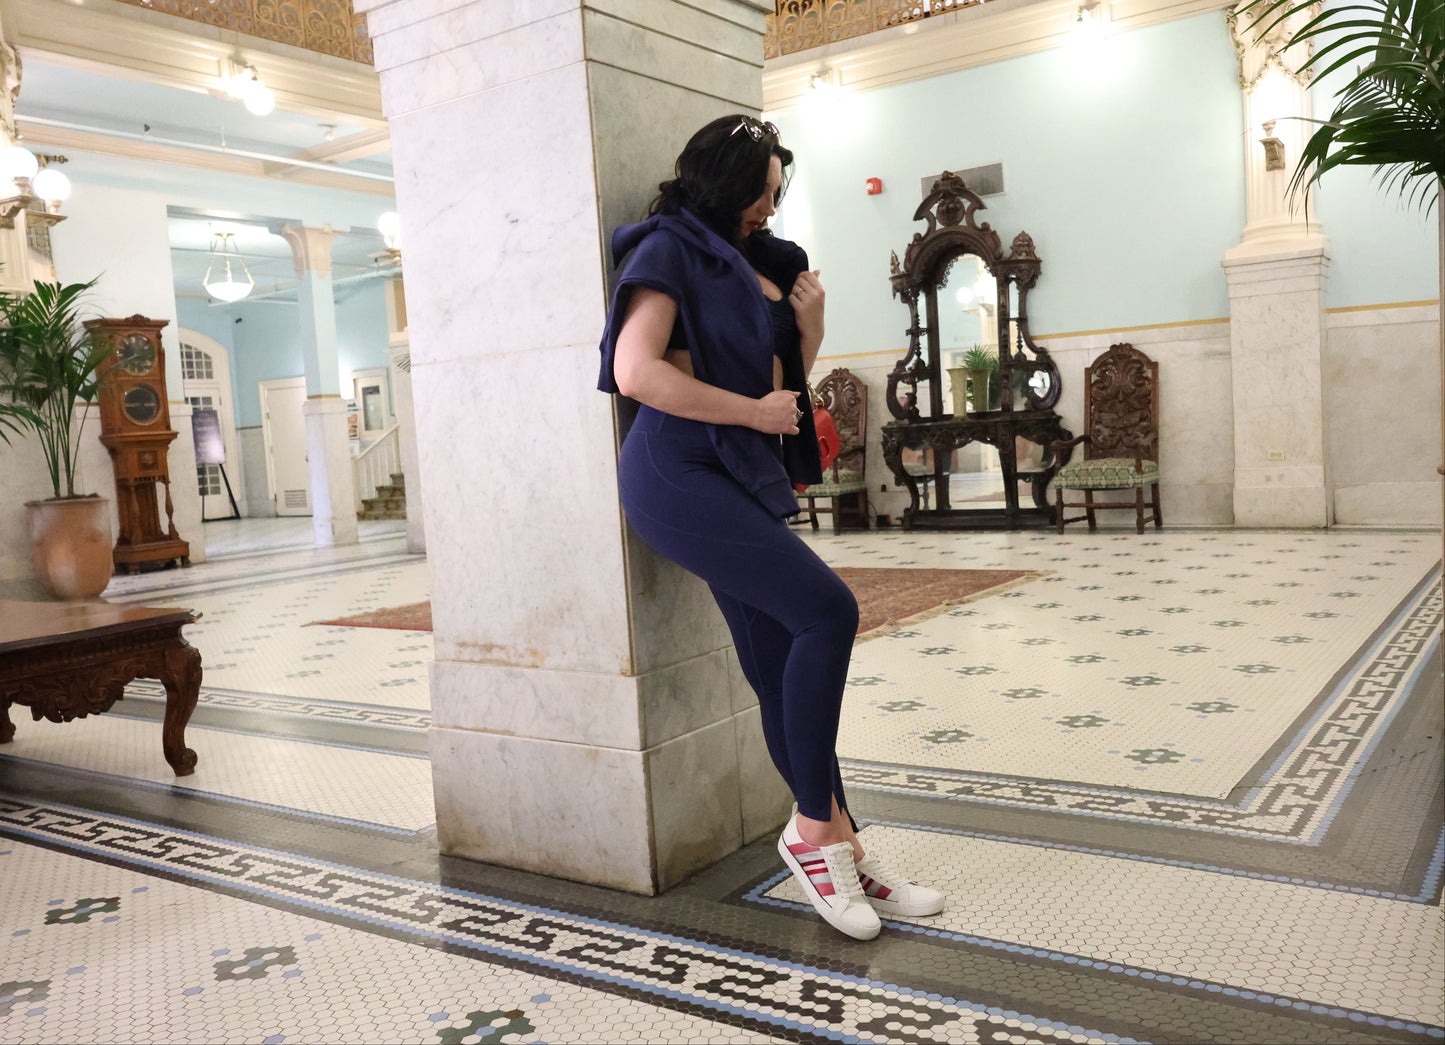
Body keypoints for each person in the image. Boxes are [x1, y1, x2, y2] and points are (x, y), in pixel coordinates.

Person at [597, 114, 945, 940]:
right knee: (829, 610)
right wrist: (754, 407)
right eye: (764, 192)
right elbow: (633, 370)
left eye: (777, 195)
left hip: (736, 468)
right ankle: (814, 833)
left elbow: (780, 392)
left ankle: (842, 844)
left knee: (778, 662)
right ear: (728, 180)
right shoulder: (666, 249)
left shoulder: (757, 263)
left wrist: (809, 334)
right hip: (674, 471)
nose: (770, 208)